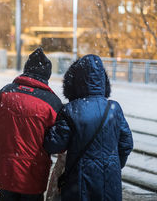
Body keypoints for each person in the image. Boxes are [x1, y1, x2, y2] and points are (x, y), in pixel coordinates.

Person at [44, 54, 134, 201]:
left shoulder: (71, 110)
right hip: (110, 183)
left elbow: (54, 144)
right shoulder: (114, 108)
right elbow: (126, 144)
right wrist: (113, 165)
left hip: (79, 184)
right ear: (103, 80)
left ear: (75, 81)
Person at [0, 48, 62, 201]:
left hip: (4, 172)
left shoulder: (5, 93)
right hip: (33, 176)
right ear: (46, 75)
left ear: (26, 69)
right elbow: (58, 143)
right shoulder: (52, 103)